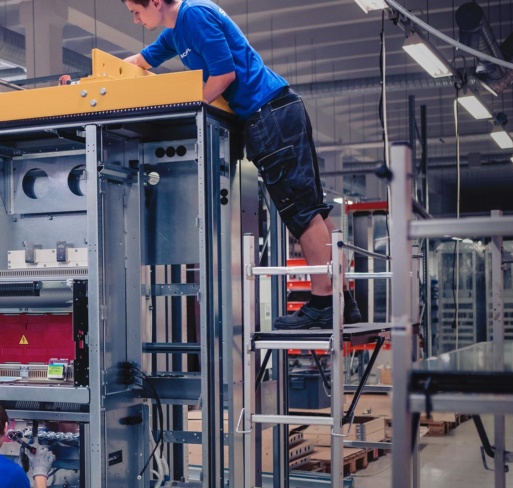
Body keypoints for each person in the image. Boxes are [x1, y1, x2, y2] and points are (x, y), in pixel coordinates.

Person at [122, 0, 361, 329]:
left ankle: (323, 303)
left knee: (300, 211)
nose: (135, 20)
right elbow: (140, 61)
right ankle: (341, 300)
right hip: (276, 110)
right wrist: (93, 79)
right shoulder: (175, 32)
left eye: (136, 11)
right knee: (312, 210)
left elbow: (224, 75)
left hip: (269, 113)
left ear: (156, 2)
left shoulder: (194, 15)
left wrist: (191, 109)